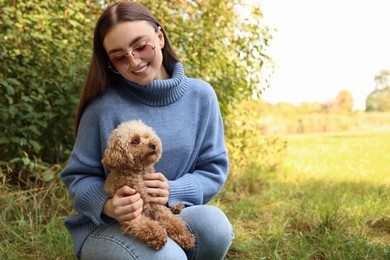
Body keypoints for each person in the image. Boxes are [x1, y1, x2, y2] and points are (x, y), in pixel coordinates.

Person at [61, 1, 233, 259]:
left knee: (214, 226)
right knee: (168, 255)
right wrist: (108, 205)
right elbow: (78, 177)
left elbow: (213, 168)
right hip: (109, 226)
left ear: (160, 37)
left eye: (141, 46)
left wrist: (173, 190)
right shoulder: (102, 108)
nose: (134, 61)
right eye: (119, 57)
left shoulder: (201, 97)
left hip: (170, 210)